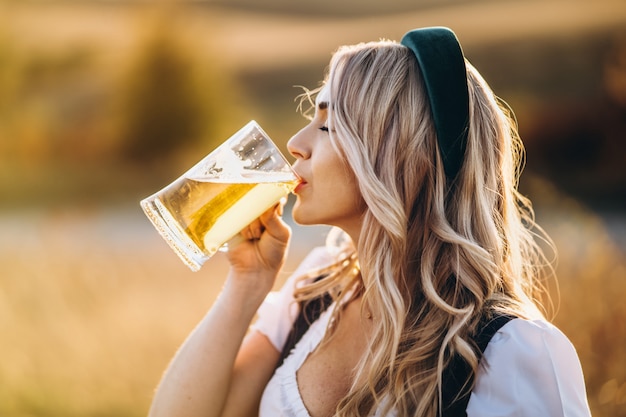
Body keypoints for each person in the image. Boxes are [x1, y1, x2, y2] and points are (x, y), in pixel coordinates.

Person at [147, 27, 592, 417]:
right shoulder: (313, 296)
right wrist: (247, 283)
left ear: (397, 156)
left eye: (327, 125)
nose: (295, 144)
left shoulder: (511, 355)